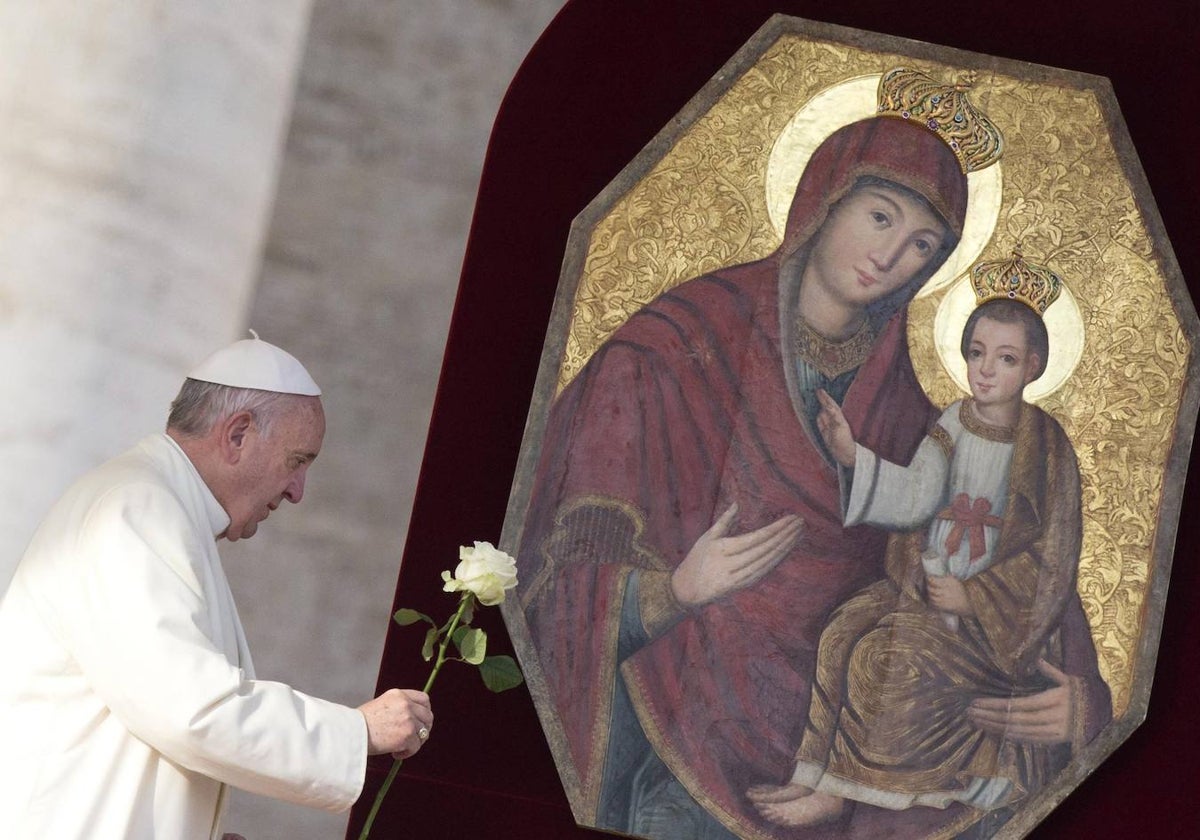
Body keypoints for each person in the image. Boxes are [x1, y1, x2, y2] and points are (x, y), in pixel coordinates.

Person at [514, 70, 1111, 840]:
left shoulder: (918, 423)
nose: (890, 255)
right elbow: (553, 579)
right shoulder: (673, 350)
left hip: (856, 764)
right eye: (880, 216)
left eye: (921, 244)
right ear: (824, 199)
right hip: (677, 747)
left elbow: (1012, 548)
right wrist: (670, 593)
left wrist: (1080, 705)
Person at [0, 335, 434, 840]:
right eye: (298, 460)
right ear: (238, 434)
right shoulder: (136, 506)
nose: (297, 492)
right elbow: (188, 708)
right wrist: (357, 733)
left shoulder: (158, 507)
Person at [751, 254, 1084, 827]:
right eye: (976, 353)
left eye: (1004, 359)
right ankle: (814, 775)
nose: (985, 371)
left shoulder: (1047, 448)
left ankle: (853, 789)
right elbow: (917, 495)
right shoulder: (953, 422)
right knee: (840, 632)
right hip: (925, 587)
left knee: (886, 655)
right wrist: (852, 455)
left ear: (1032, 366)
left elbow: (1054, 557)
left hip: (996, 623)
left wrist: (974, 598)